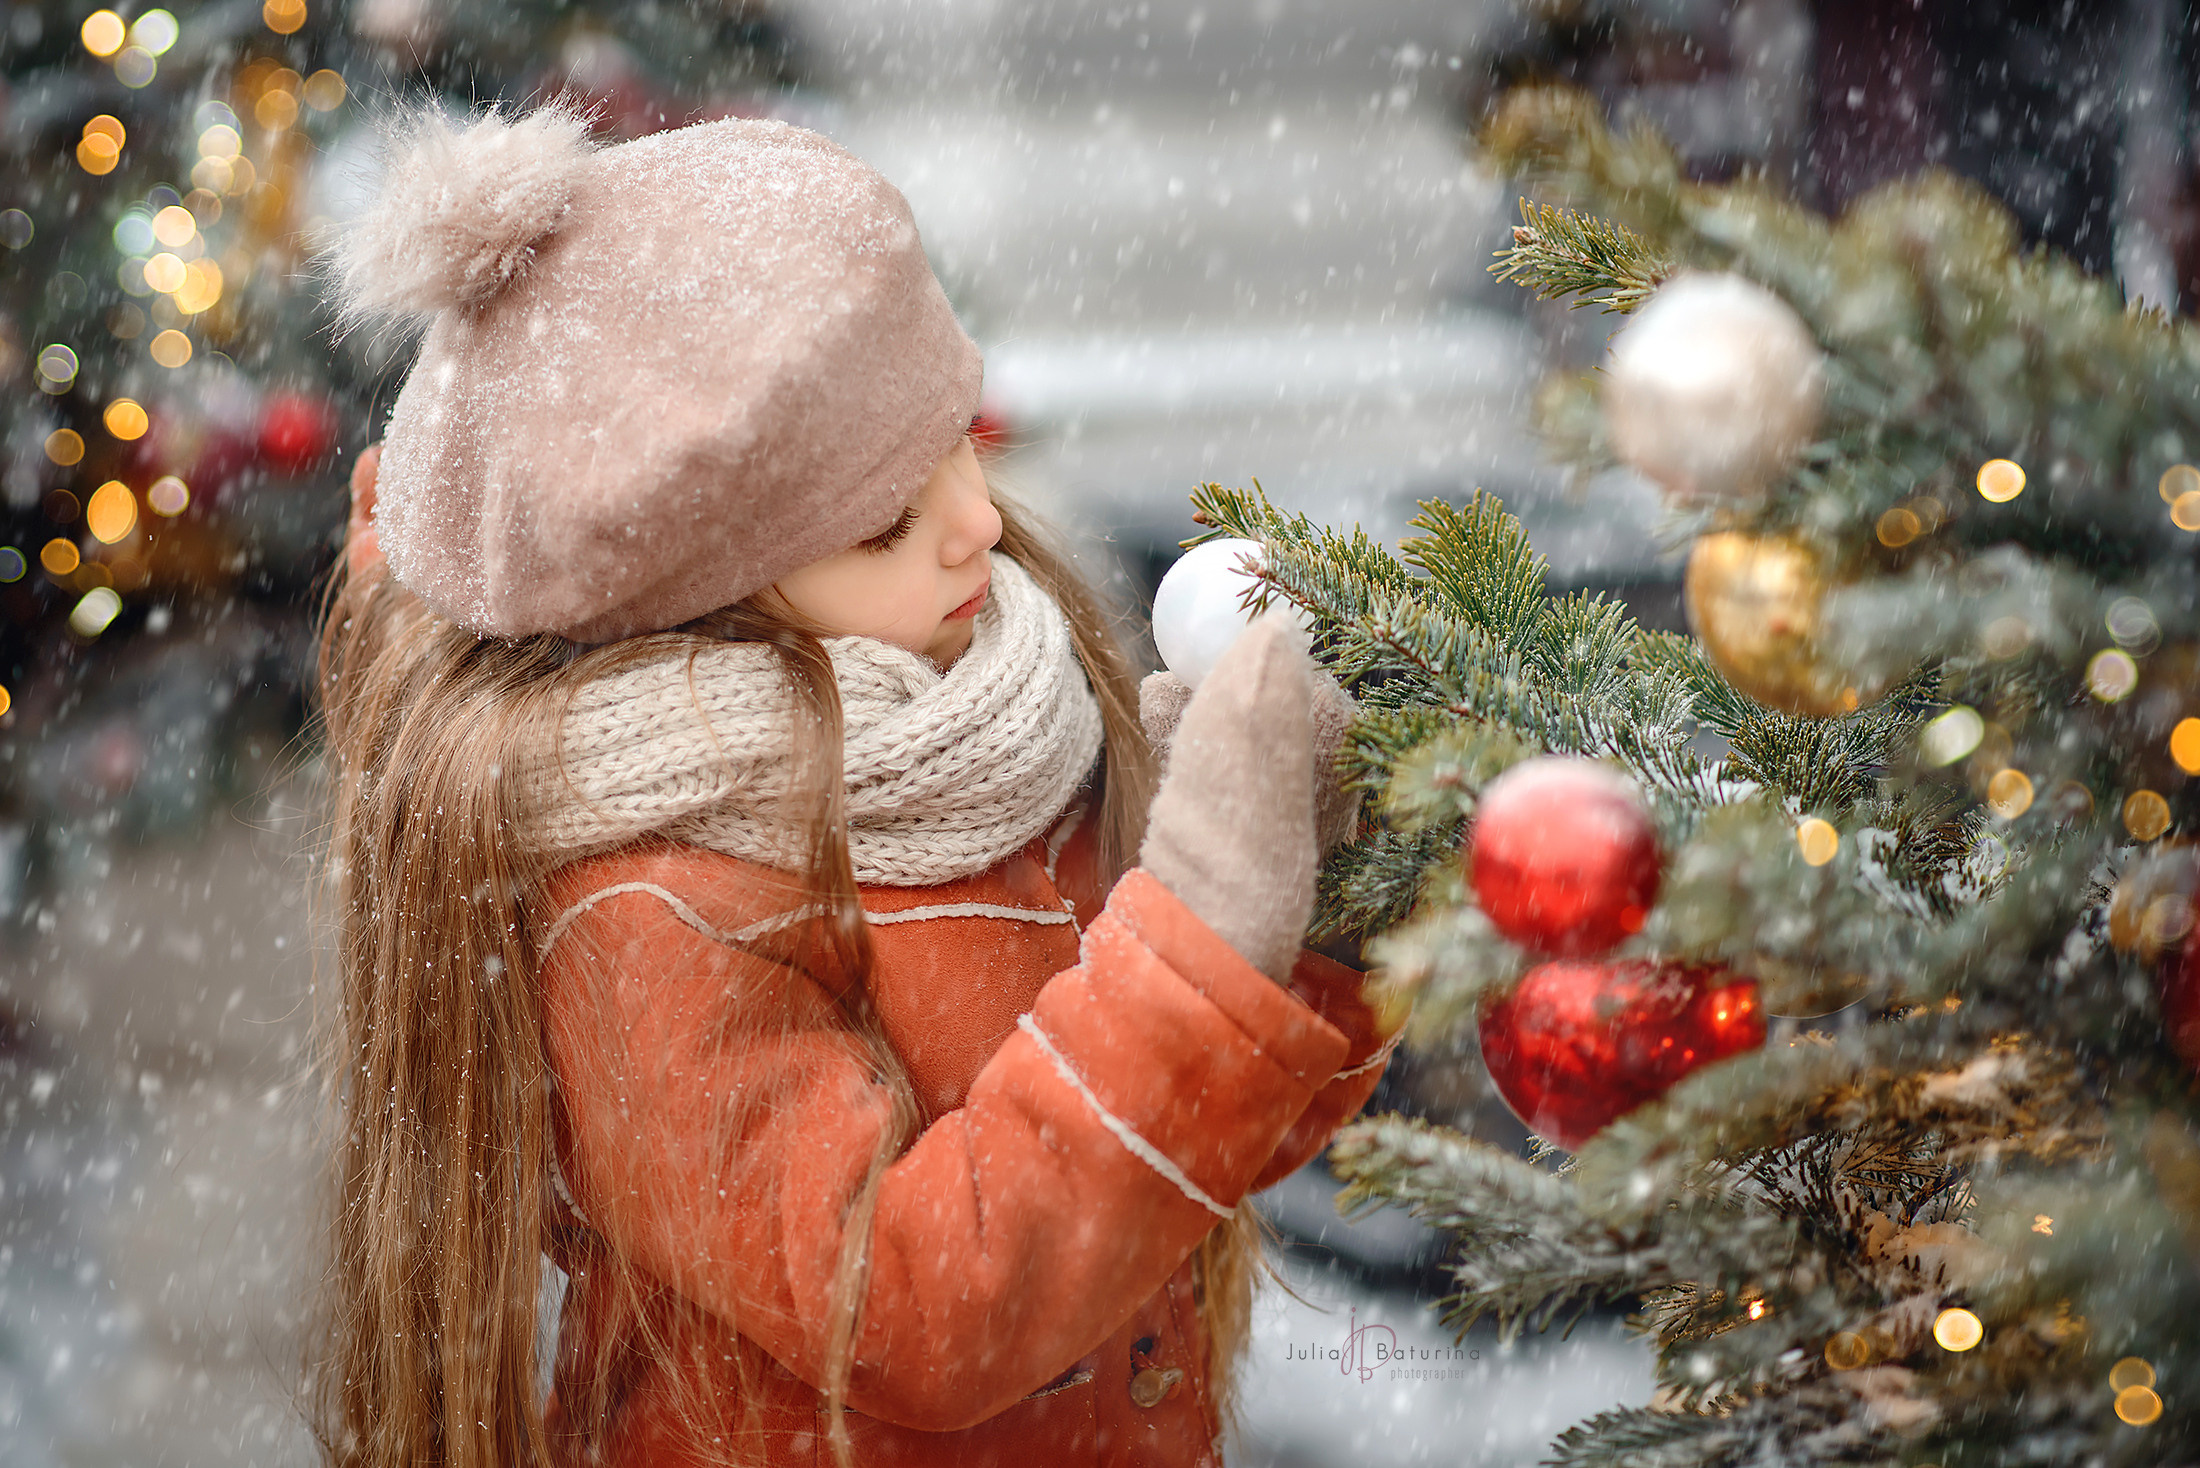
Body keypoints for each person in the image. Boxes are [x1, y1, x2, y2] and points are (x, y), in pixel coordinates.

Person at [313, 104, 1397, 1468]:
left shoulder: (971, 731)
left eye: (958, 440)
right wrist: (1193, 949)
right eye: (888, 515)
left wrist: (1300, 928)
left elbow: (1164, 1173)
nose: (981, 523)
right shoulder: (655, 906)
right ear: (695, 592)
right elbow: (916, 1314)